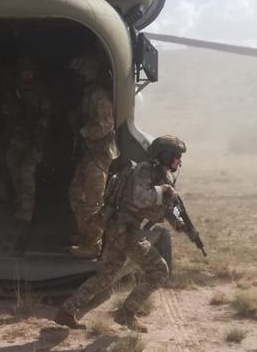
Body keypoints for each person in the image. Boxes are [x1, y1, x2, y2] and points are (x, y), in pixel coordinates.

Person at [55, 135, 192, 333]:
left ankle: (67, 310)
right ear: (165, 156)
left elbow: (166, 207)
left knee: (106, 276)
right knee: (159, 271)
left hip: (121, 230)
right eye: (177, 156)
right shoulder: (144, 171)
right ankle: (127, 313)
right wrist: (162, 191)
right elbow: (139, 198)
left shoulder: (163, 177)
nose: (179, 162)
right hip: (126, 230)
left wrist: (180, 224)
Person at [67, 54, 117, 258]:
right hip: (90, 154)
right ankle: (84, 234)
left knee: (93, 201)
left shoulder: (99, 96)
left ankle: (93, 245)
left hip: (99, 156)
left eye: (81, 73)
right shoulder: (88, 94)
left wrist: (85, 132)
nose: (78, 77)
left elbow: (106, 125)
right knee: (75, 193)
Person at [0, 56, 52, 222]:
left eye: (29, 71)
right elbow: (6, 112)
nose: (27, 74)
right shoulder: (13, 90)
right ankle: (21, 198)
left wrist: (39, 131)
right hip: (17, 136)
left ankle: (27, 208)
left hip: (35, 137)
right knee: (13, 167)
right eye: (24, 71)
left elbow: (46, 114)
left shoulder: (40, 91)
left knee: (26, 172)